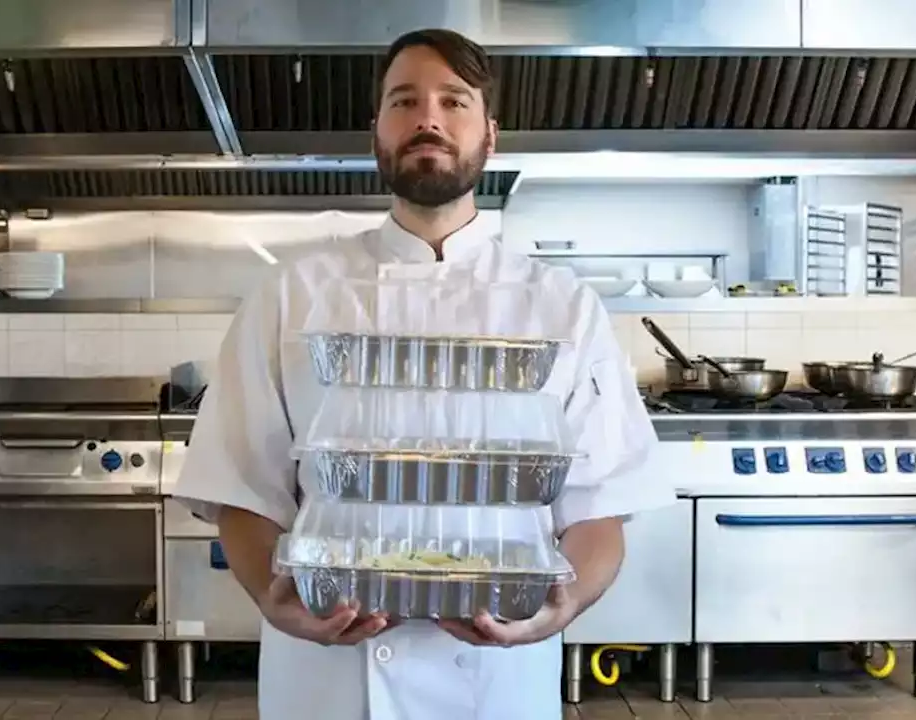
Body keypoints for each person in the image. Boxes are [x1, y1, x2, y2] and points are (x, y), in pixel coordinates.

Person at [173, 27, 676, 720]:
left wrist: (560, 608)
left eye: (453, 100)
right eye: (403, 101)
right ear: (375, 131)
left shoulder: (561, 306)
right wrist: (273, 598)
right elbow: (240, 489)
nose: (428, 118)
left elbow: (598, 509)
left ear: (489, 136)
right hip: (330, 679)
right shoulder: (292, 296)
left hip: (497, 683)